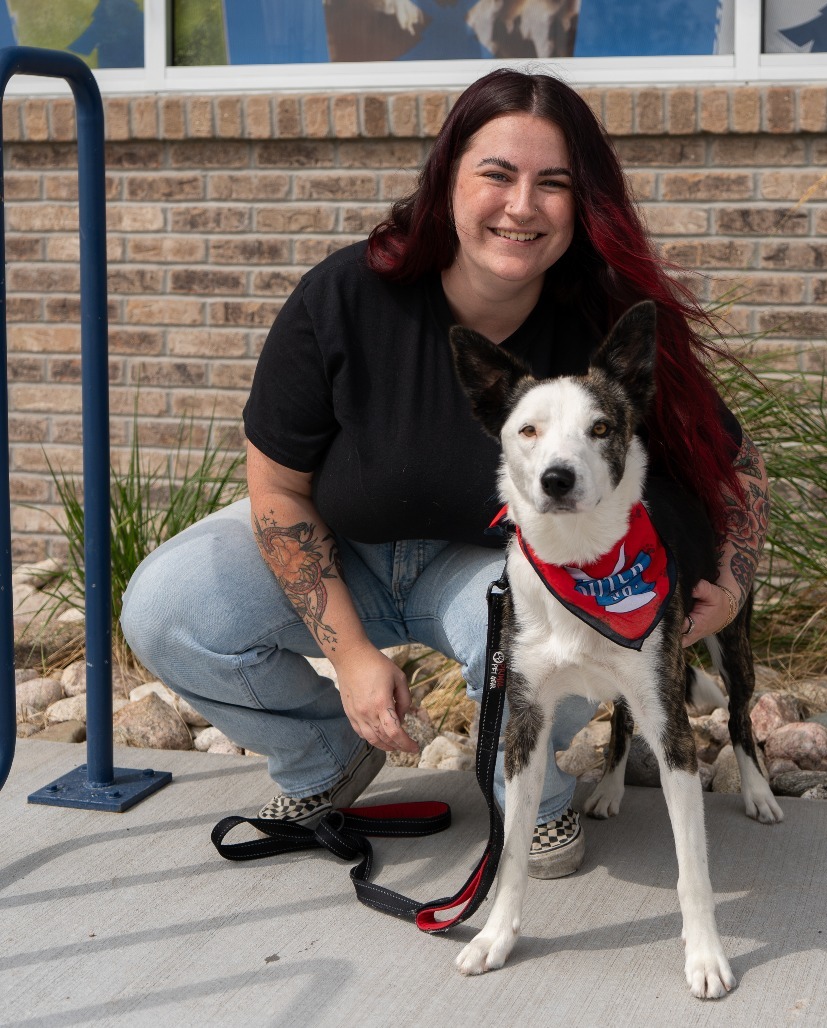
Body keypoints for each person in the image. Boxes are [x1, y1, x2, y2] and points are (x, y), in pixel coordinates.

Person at [121, 68, 770, 879]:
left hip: (493, 570)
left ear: (583, 204)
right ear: (446, 180)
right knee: (168, 606)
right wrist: (351, 657)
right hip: (346, 549)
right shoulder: (344, 297)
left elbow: (738, 463)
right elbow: (278, 492)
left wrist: (731, 584)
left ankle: (535, 797)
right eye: (497, 174)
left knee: (531, 628)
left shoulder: (602, 320)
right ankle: (325, 756)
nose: (522, 206)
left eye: (553, 183)